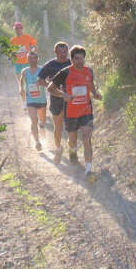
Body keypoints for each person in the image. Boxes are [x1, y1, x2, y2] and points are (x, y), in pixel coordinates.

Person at [48, 45, 102, 180]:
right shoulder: (65, 72)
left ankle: (88, 170)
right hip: (71, 113)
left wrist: (95, 94)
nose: (80, 61)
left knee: (86, 139)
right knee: (72, 140)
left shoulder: (89, 71)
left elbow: (91, 86)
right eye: (76, 59)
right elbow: (50, 88)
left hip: (86, 112)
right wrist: (63, 95)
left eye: (82, 58)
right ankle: (72, 152)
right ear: (71, 60)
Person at [38, 42, 71, 163]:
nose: (62, 54)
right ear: (55, 52)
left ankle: (72, 149)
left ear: (67, 52)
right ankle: (58, 149)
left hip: (70, 98)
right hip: (56, 98)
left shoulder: (71, 63)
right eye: (60, 52)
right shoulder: (50, 65)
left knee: (72, 126)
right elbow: (40, 80)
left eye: (64, 52)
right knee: (58, 127)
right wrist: (52, 86)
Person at [19, 50, 47, 151]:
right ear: (27, 59)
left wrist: (42, 83)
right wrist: (21, 89)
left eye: (34, 58)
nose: (32, 60)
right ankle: (37, 142)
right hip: (30, 101)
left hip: (42, 100)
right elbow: (21, 81)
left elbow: (47, 83)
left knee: (42, 122)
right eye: (30, 58)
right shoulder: (24, 71)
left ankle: (42, 125)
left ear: (38, 59)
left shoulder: (42, 70)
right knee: (34, 120)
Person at [10, 22, 37, 89]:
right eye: (16, 29)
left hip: (27, 62)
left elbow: (34, 46)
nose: (18, 30)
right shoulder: (13, 40)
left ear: (22, 29)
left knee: (29, 80)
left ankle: (31, 95)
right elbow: (10, 52)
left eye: (19, 28)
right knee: (20, 82)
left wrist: (32, 51)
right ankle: (23, 96)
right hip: (18, 63)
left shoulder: (28, 37)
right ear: (14, 30)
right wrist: (11, 56)